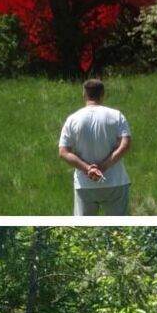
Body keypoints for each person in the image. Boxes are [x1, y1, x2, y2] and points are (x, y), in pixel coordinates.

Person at [57, 78, 132, 216]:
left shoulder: (72, 119)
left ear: (84, 94)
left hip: (85, 185)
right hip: (115, 181)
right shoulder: (116, 116)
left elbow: (63, 152)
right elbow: (125, 144)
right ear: (103, 94)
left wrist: (87, 169)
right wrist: (104, 166)